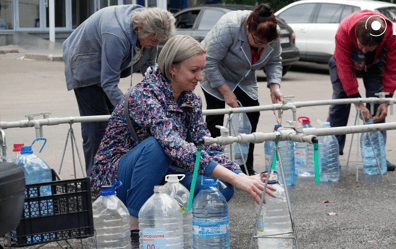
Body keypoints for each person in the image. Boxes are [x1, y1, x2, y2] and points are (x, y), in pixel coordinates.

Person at [90, 35, 276, 247]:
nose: (200, 77)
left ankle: (177, 223)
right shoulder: (144, 94)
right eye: (194, 70)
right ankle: (135, 228)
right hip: (116, 179)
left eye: (202, 70)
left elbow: (206, 146)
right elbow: (173, 145)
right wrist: (235, 177)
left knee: (220, 187)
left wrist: (240, 176)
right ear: (173, 68)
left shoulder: (191, 99)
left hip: (161, 171)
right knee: (157, 146)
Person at [62, 5, 175, 175]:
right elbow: (108, 82)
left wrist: (163, 96)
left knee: (117, 124)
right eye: (154, 40)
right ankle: (95, 181)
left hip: (106, 67)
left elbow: (150, 68)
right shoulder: (116, 34)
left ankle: (114, 173)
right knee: (98, 126)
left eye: (159, 41)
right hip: (84, 64)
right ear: (141, 29)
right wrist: (131, 109)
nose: (155, 45)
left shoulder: (150, 30)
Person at [200, 4, 284, 176]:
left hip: (244, 78)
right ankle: (213, 169)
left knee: (252, 115)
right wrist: (226, 92)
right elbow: (209, 62)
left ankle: (245, 166)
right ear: (248, 29)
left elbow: (275, 61)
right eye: (258, 42)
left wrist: (274, 86)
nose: (261, 48)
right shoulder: (230, 25)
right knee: (216, 119)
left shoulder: (273, 33)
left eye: (265, 44)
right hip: (217, 73)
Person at [327, 10, 396, 171]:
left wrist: (386, 100)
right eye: (362, 46)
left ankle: (377, 155)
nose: (365, 51)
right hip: (345, 61)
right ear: (356, 37)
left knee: (377, 104)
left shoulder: (392, 34)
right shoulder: (344, 30)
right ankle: (332, 155)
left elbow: (394, 66)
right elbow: (344, 68)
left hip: (376, 63)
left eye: (370, 47)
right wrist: (357, 102)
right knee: (341, 101)